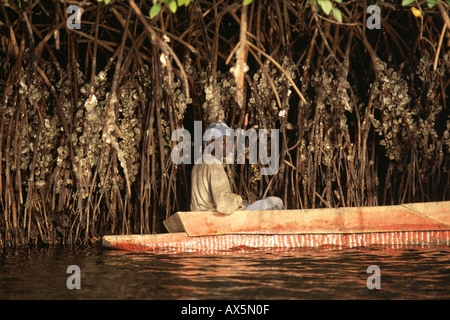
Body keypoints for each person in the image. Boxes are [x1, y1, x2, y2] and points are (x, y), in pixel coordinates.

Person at [190, 122, 284, 214]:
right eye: (223, 141)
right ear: (211, 143)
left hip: (201, 216)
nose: (228, 145)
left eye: (230, 141)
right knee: (276, 202)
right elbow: (223, 205)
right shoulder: (214, 164)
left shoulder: (199, 163)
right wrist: (239, 200)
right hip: (215, 219)